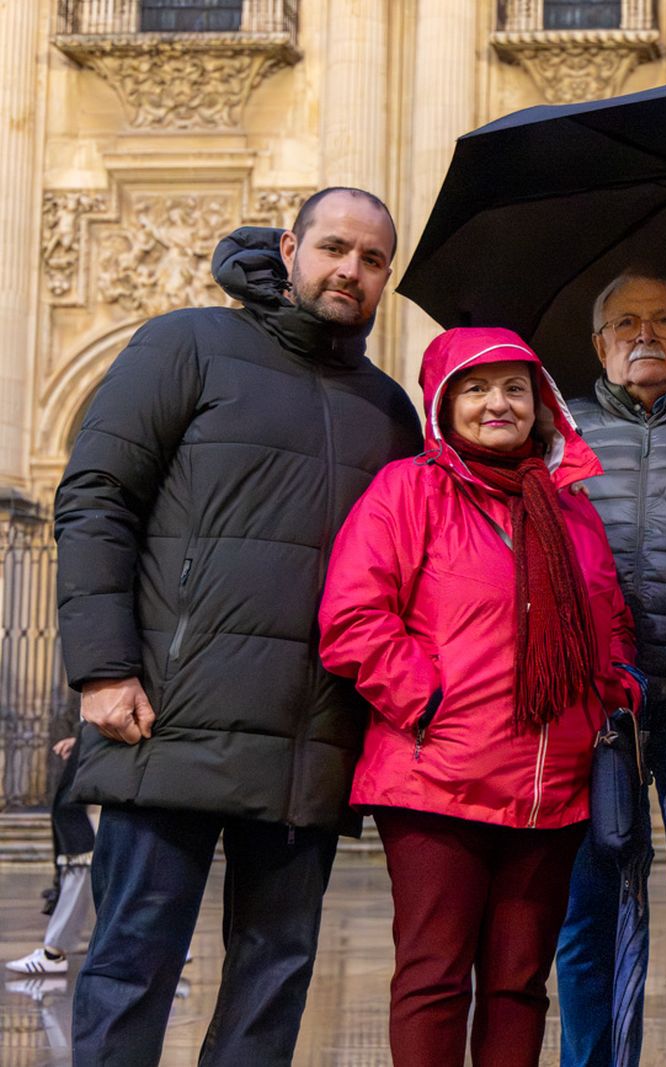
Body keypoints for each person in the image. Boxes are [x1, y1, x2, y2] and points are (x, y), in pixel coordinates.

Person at [54, 187, 421, 1066]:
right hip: (168, 720)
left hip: (309, 739)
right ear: (289, 247)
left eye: (373, 261)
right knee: (134, 959)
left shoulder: (389, 410)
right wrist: (102, 668)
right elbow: (97, 497)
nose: (351, 271)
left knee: (276, 972)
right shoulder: (188, 344)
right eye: (335, 247)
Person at [317, 326, 642, 1067]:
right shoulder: (409, 490)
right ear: (444, 401)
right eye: (477, 387)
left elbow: (610, 616)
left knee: (520, 984)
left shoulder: (569, 507)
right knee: (434, 975)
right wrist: (432, 704)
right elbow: (353, 616)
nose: (499, 403)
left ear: (542, 403)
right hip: (438, 781)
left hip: (549, 787)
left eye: (515, 388)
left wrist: (608, 692)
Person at [557, 272, 666, 1067]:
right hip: (597, 700)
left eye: (665, 320)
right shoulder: (560, 437)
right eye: (625, 321)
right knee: (587, 909)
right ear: (599, 343)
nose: (645, 334)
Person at [6, 735, 93, 976]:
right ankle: (168, 943)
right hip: (100, 739)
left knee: (83, 860)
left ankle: (54, 952)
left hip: (110, 744)